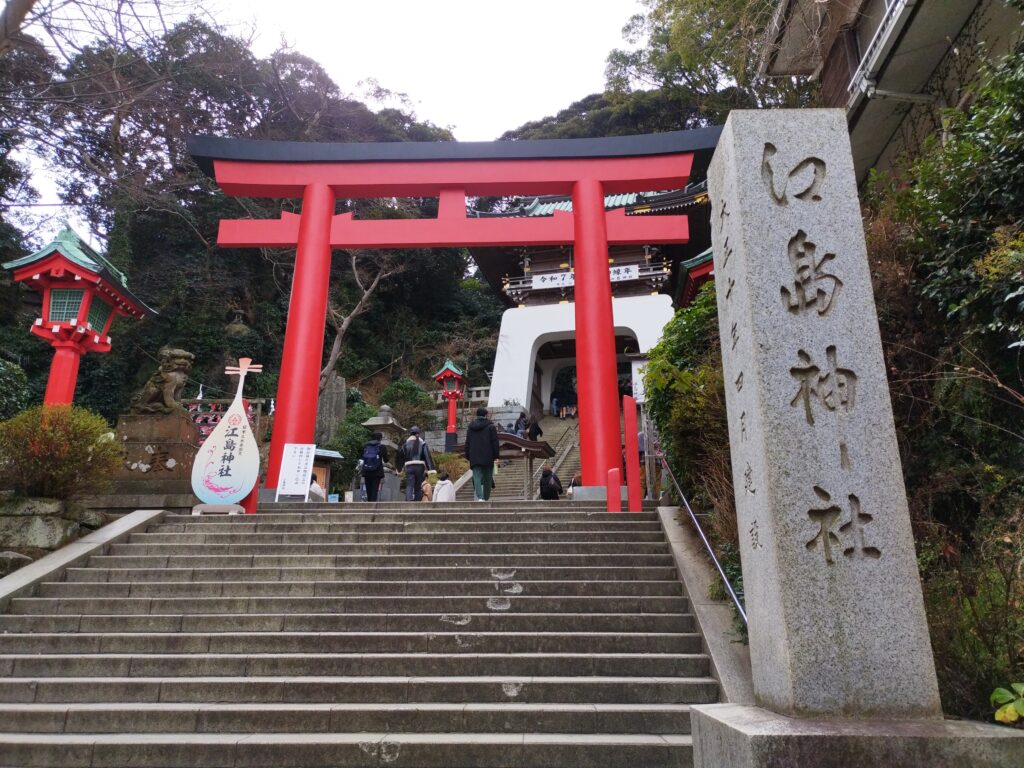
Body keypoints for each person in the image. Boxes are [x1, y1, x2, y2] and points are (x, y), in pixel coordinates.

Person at [464, 406, 500, 501]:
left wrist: (468, 455)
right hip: (488, 456)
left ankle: (479, 498)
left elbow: (467, 442)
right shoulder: (491, 427)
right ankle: (485, 498)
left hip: (474, 456)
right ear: (485, 415)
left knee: (476, 477)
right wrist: (496, 456)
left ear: (477, 415)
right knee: (488, 478)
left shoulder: (471, 427)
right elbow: (494, 442)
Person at [397, 426, 434, 502]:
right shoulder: (423, 443)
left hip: (409, 467)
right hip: (419, 467)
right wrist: (431, 469)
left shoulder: (405, 444)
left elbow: (400, 457)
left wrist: (399, 468)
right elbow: (427, 456)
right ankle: (417, 501)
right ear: (418, 434)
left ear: (410, 434)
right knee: (418, 486)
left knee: (409, 485)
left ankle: (409, 500)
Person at [360, 431, 389, 503]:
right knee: (374, 489)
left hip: (366, 470)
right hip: (377, 471)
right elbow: (386, 460)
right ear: (380, 438)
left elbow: (361, 457)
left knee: (368, 488)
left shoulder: (365, 446)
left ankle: (369, 503)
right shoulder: (382, 447)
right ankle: (372, 505)